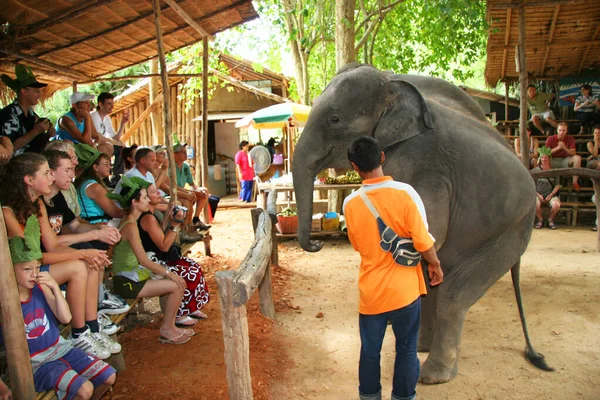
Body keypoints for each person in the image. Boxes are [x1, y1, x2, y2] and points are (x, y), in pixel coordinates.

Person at [342, 136, 443, 400]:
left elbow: (357, 244)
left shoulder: (350, 204)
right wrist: (434, 264)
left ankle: (369, 396)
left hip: (371, 293)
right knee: (408, 350)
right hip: (405, 291)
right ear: (382, 157)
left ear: (354, 166)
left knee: (370, 351)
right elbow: (423, 239)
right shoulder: (406, 193)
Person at [0, 153, 115, 360]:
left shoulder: (38, 204)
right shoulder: (8, 213)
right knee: (79, 266)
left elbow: (52, 246)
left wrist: (89, 255)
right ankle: (78, 333)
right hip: (20, 276)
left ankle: (91, 327)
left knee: (88, 263)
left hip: (35, 268)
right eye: (46, 173)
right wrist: (83, 253)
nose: (51, 178)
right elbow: (32, 258)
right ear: (29, 180)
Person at [0, 233, 116, 400]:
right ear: (10, 270)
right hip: (36, 364)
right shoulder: (5, 304)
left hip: (61, 349)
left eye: (37, 267)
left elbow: (65, 318)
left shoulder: (40, 287)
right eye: (27, 269)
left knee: (108, 377)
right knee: (85, 389)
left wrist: (54, 287)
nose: (34, 274)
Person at [108, 176, 194, 344]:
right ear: (134, 202)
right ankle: (167, 328)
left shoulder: (130, 221)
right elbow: (144, 260)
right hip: (128, 281)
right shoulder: (131, 226)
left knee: (171, 281)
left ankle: (170, 325)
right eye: (145, 197)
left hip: (129, 276)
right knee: (177, 284)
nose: (148, 200)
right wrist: (170, 274)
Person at [138, 183, 210, 326]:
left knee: (193, 266)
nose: (158, 194)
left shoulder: (151, 214)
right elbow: (164, 246)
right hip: (154, 261)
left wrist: (169, 221)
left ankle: (191, 308)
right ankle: (179, 313)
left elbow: (160, 234)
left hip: (159, 258)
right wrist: (175, 224)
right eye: (152, 193)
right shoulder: (147, 218)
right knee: (187, 272)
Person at [0, 64, 55, 155]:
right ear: (24, 92)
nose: (39, 94)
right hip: (17, 162)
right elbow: (10, 148)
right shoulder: (8, 114)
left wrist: (47, 134)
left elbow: (34, 141)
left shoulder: (31, 114)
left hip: (33, 157)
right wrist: (35, 131)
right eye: (36, 91)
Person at [74, 144, 125, 224]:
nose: (109, 167)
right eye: (106, 164)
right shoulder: (94, 187)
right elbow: (115, 212)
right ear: (95, 167)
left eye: (109, 164)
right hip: (96, 226)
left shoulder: (85, 182)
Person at [90, 92, 129, 183]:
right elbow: (98, 137)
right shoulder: (93, 116)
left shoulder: (107, 119)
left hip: (104, 145)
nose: (112, 106)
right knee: (110, 147)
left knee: (121, 148)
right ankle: (104, 179)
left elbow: (115, 139)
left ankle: (117, 178)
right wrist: (116, 143)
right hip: (94, 146)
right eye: (109, 104)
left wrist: (122, 124)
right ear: (100, 104)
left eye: (112, 104)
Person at [172, 143, 211, 230]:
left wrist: (197, 190)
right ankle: (186, 227)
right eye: (182, 152)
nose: (185, 153)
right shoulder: (171, 167)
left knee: (204, 191)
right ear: (175, 154)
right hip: (174, 192)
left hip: (183, 191)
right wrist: (191, 192)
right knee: (189, 198)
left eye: (185, 151)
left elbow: (191, 183)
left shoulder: (185, 166)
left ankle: (196, 219)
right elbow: (172, 187)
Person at [545, 121, 582, 190]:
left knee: (577, 158)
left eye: (563, 130)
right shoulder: (550, 139)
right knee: (545, 158)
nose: (561, 132)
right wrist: (558, 148)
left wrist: (564, 148)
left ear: (566, 131)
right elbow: (546, 153)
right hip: (553, 160)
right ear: (557, 130)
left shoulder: (570, 139)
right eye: (560, 130)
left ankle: (575, 182)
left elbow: (573, 153)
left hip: (566, 160)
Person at [533, 148, 562, 230]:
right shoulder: (535, 170)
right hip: (539, 194)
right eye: (542, 157)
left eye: (546, 157)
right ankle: (540, 220)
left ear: (549, 158)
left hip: (551, 194)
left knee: (556, 205)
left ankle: (550, 220)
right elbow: (532, 185)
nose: (544, 159)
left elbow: (557, 185)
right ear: (540, 158)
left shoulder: (554, 171)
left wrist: (551, 194)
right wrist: (538, 195)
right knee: (535, 204)